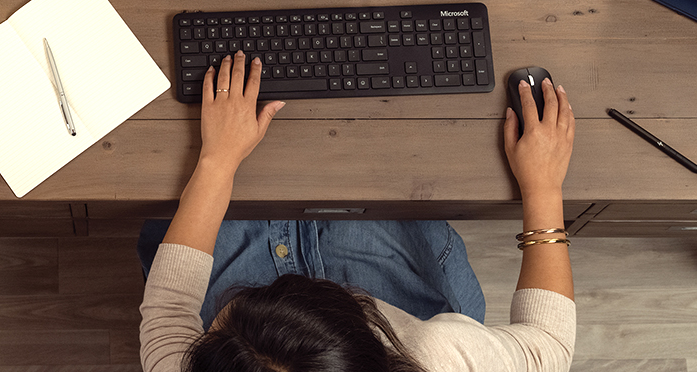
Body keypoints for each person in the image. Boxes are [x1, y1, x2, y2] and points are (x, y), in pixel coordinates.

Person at [139, 52, 576, 372]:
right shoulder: (439, 357)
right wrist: (542, 187)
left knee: (177, 218)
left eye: (225, 319)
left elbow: (169, 306)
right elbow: (549, 346)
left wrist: (217, 159)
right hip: (406, 311)